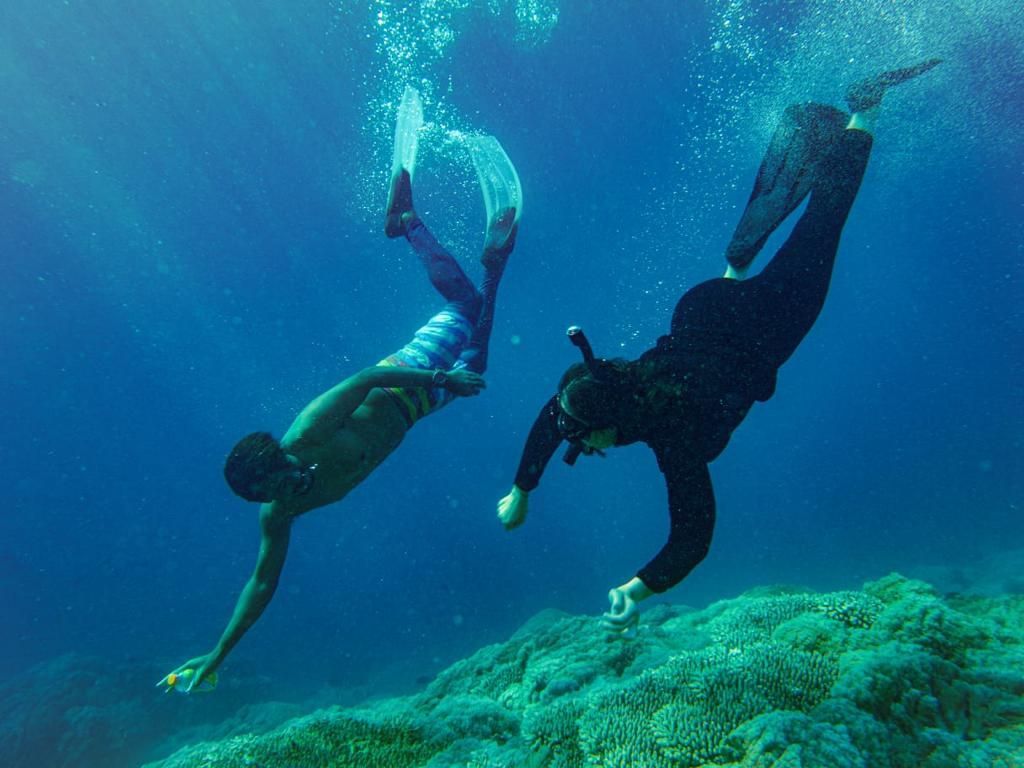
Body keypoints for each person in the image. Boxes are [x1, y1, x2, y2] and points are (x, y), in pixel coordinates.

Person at [496, 60, 940, 635]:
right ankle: (740, 254)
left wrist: (636, 591)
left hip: (766, 324)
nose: (578, 443)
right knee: (731, 281)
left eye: (583, 437)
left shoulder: (672, 433)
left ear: (610, 422)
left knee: (825, 222)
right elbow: (552, 418)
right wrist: (521, 491)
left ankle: (865, 107)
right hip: (700, 308)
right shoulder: (604, 383)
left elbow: (693, 537)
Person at [160, 87, 522, 691]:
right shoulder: (282, 514)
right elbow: (261, 584)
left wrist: (440, 376)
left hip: (411, 375)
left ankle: (418, 228)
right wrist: (217, 656)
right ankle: (423, 231)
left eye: (283, 474)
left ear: (280, 454)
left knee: (470, 312)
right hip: (421, 408)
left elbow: (368, 378)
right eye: (274, 491)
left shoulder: (306, 432)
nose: (290, 484)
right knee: (477, 332)